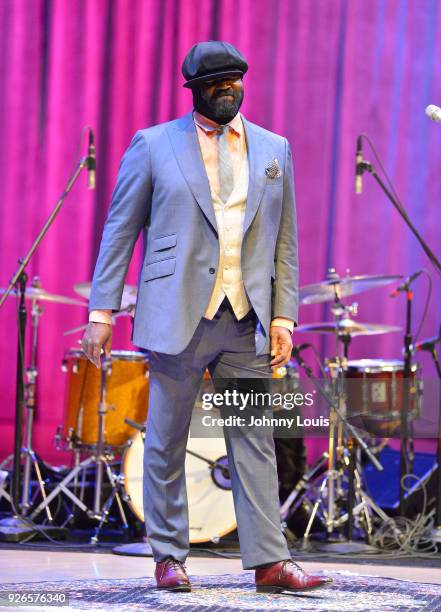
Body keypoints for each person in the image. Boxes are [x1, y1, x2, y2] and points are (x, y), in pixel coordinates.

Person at [82, 41, 332, 594]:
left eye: (235, 80)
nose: (227, 89)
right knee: (167, 439)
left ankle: (269, 561)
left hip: (247, 319)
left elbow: (285, 242)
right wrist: (101, 310)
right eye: (216, 82)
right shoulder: (153, 145)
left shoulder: (274, 148)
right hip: (178, 314)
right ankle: (170, 556)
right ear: (194, 89)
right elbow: (119, 231)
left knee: (255, 440)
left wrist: (285, 318)